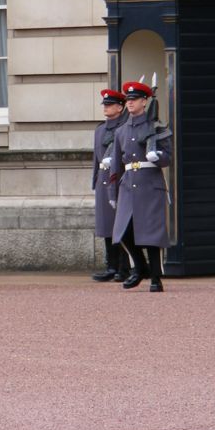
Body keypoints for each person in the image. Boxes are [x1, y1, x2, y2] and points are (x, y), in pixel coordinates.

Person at [109, 80, 172, 292]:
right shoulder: (121, 131)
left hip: (150, 183)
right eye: (128, 99)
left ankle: (155, 277)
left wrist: (158, 156)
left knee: (151, 234)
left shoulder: (156, 126)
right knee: (122, 232)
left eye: (134, 99)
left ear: (145, 102)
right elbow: (116, 165)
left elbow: (168, 157)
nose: (130, 103)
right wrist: (112, 192)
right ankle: (140, 267)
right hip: (128, 184)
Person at [91, 88, 128, 282]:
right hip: (103, 181)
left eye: (110, 104)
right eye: (105, 104)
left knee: (120, 225)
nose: (106, 108)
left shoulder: (124, 128)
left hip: (119, 179)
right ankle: (111, 266)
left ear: (120, 107)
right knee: (106, 225)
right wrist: (95, 180)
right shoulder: (99, 130)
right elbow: (96, 159)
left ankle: (124, 267)